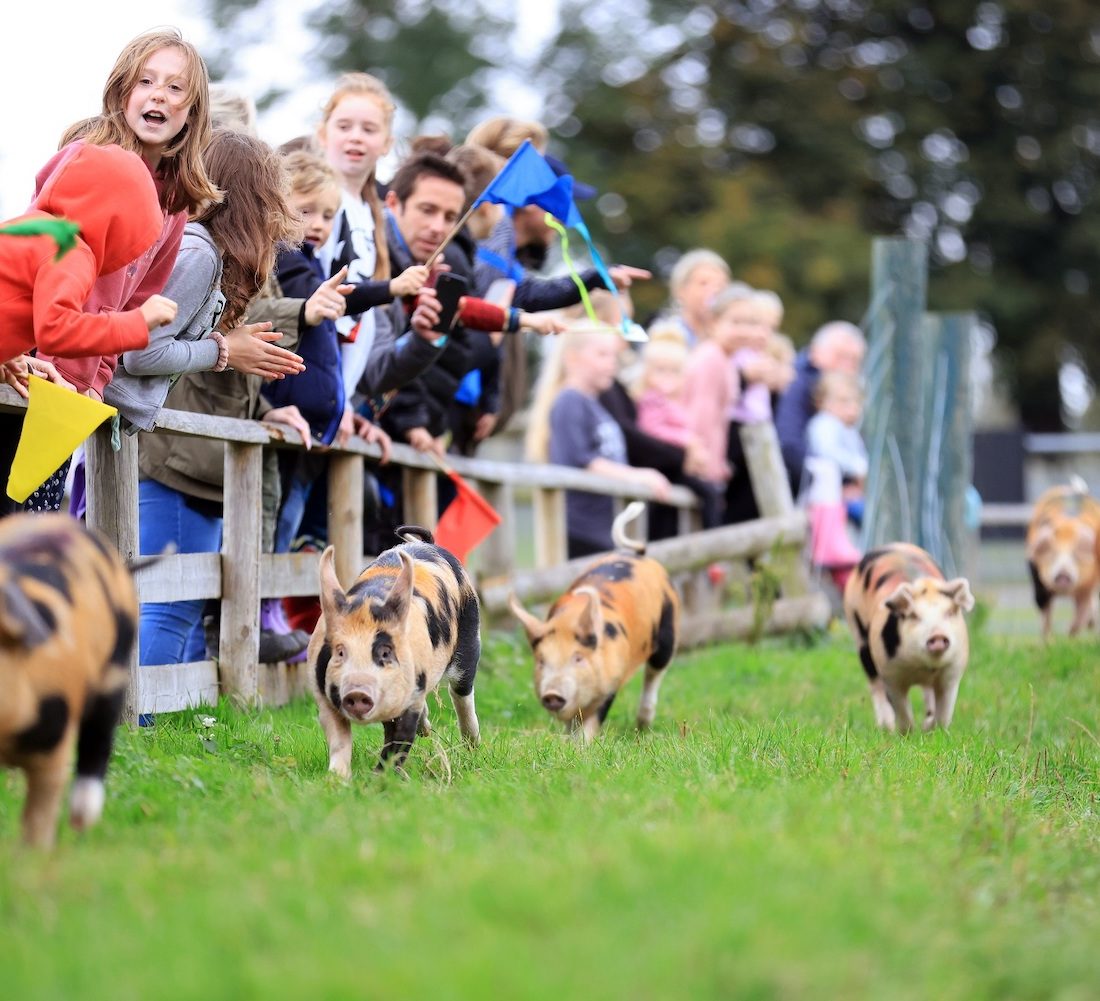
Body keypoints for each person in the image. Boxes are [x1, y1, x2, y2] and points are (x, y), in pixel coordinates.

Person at [19, 28, 221, 513]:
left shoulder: (173, 207)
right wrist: (29, 355)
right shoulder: (87, 159)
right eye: (146, 81)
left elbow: (135, 312)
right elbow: (33, 256)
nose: (158, 95)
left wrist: (93, 381)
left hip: (74, 396)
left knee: (28, 540)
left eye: (176, 88)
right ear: (122, 94)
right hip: (27, 371)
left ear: (191, 112)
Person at [135, 131, 306, 671]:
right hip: (170, 463)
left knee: (182, 609)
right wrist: (223, 349)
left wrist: (256, 398)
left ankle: (166, 731)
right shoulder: (198, 252)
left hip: (192, 466)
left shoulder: (217, 259)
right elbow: (140, 355)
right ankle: (139, 731)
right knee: (167, 609)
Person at [315, 72, 431, 403]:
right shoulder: (313, 203)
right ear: (323, 134)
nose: (356, 138)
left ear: (387, 144)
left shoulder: (372, 212)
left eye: (368, 129)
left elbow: (365, 317)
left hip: (343, 385)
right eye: (344, 126)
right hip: (310, 369)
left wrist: (352, 402)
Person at [528, 324, 671, 559]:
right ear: (573, 358)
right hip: (581, 533)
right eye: (602, 355)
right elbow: (581, 459)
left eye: (613, 356)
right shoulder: (569, 400)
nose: (611, 363)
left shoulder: (594, 405)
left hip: (604, 532)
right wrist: (638, 476)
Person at [633, 327, 723, 528]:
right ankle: (712, 541)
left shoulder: (673, 403)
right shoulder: (651, 401)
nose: (667, 377)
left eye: (674, 371)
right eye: (660, 370)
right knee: (707, 492)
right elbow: (651, 428)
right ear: (647, 372)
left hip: (678, 462)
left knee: (709, 492)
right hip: (664, 465)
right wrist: (687, 441)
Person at [774, 319, 866, 495]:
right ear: (816, 351)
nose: (846, 366)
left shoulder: (843, 389)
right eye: (841, 356)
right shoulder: (798, 384)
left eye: (854, 361)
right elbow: (790, 443)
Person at [806, 370, 868, 522]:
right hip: (826, 495)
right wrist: (857, 468)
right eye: (843, 401)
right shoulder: (825, 424)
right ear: (822, 401)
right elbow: (826, 451)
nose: (852, 408)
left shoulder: (848, 429)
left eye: (856, 402)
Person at [661, 248, 731, 346]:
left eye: (720, 285)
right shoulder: (666, 334)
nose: (715, 290)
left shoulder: (733, 338)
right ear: (681, 290)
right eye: (703, 283)